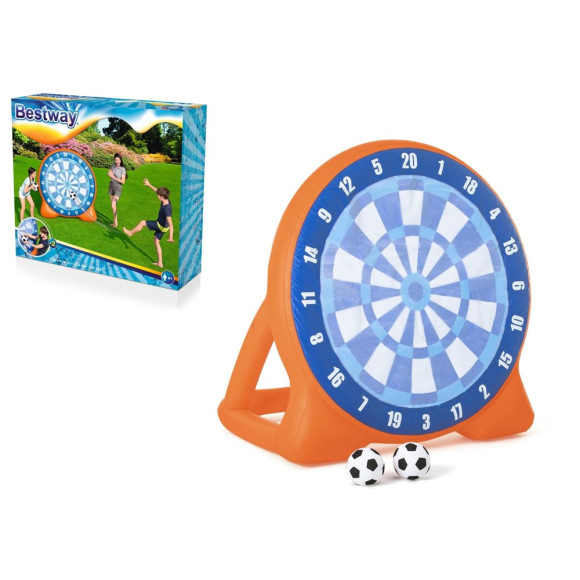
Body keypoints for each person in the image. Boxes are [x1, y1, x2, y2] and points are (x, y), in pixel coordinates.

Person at [123, 178, 174, 268]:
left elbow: (171, 223)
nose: (157, 196)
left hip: (160, 226)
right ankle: (160, 263)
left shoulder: (166, 209)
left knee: (142, 222)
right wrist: (149, 185)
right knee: (156, 242)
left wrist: (170, 237)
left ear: (162, 196)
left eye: (158, 195)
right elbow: (157, 191)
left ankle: (130, 232)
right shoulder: (166, 200)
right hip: (164, 227)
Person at [107, 153, 127, 228]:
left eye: (119, 160)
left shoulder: (122, 169)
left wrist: (113, 177)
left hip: (118, 188)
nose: (117, 162)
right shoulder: (113, 166)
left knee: (113, 205)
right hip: (111, 186)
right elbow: (110, 173)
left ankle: (115, 222)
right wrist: (109, 173)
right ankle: (115, 222)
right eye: (116, 160)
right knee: (113, 206)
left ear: (121, 160)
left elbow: (123, 181)